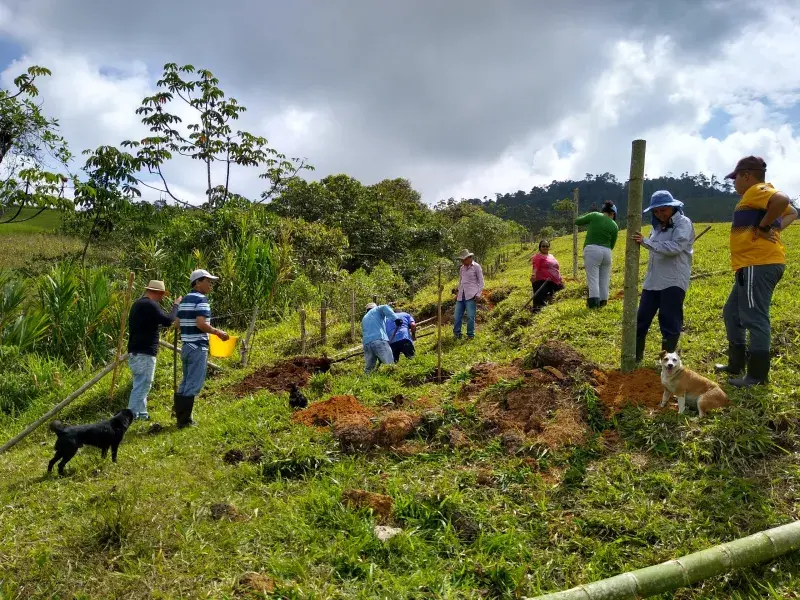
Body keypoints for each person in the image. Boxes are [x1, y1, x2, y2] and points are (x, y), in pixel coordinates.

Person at [714, 156, 797, 387]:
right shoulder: (758, 195)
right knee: (732, 312)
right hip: (751, 265)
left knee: (754, 317)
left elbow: (782, 200)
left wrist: (764, 227)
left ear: (746, 175)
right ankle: (736, 364)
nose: (733, 183)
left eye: (735, 178)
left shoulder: (757, 190)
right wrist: (772, 225)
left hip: (757, 263)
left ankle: (757, 376)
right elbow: (792, 213)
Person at [632, 191, 695, 362]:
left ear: (673, 207)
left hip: (673, 280)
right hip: (652, 281)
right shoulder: (656, 228)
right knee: (641, 320)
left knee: (669, 322)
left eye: (664, 210)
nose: (660, 214)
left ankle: (666, 363)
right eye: (656, 211)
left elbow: (675, 247)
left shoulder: (683, 223)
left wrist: (648, 242)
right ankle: (635, 359)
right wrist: (649, 241)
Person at [174, 269, 229, 427]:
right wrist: (218, 332)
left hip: (186, 346)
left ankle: (180, 417)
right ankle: (185, 421)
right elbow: (201, 323)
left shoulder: (184, 300)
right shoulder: (201, 300)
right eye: (208, 281)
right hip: (197, 346)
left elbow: (177, 324)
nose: (210, 284)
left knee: (185, 382)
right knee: (194, 383)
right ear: (198, 282)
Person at [126, 280, 182, 421]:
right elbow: (168, 320)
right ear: (157, 292)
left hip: (137, 351)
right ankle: (130, 417)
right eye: (162, 294)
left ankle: (142, 415)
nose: (162, 298)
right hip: (144, 352)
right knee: (143, 384)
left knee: (142, 383)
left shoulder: (138, 304)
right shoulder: (149, 305)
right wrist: (176, 305)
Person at [575, 201, 618, 308]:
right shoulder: (614, 225)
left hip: (592, 250)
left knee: (593, 279)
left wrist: (587, 215)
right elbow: (612, 244)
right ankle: (603, 303)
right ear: (613, 214)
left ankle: (594, 305)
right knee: (604, 279)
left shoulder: (594, 215)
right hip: (607, 252)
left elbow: (577, 221)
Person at [362, 302, 402, 374]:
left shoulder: (364, 318)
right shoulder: (377, 309)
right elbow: (384, 307)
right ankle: (393, 378)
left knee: (369, 367)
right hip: (379, 340)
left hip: (367, 344)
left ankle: (366, 380)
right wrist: (396, 319)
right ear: (375, 307)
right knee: (389, 363)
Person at [453, 249, 484, 339]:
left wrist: (478, 294)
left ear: (469, 258)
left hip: (471, 296)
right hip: (461, 295)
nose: (462, 262)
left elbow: (481, 282)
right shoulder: (462, 268)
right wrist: (458, 292)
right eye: (461, 260)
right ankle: (457, 334)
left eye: (463, 260)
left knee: (470, 316)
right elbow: (461, 281)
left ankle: (470, 335)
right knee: (457, 316)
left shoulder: (477, 267)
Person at [530, 239, 564, 313]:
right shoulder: (538, 257)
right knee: (540, 297)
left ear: (549, 247)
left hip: (554, 281)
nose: (545, 247)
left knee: (560, 290)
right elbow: (535, 266)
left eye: (547, 246)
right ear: (540, 247)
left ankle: (552, 308)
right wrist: (533, 275)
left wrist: (560, 278)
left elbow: (556, 268)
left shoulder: (551, 256)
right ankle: (536, 312)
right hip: (541, 281)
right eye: (543, 246)